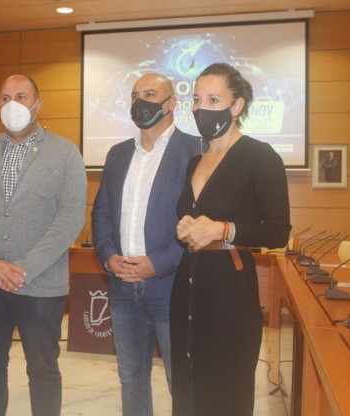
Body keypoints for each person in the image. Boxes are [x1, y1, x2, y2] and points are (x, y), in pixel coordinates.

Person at [0, 74, 87, 416]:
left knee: (43, 370)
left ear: (37, 105)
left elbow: (71, 217)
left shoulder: (65, 152)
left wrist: (24, 269)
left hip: (41, 284)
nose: (11, 104)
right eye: (4, 98)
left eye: (21, 97)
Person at [171, 63, 291, 416]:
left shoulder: (260, 157)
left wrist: (224, 230)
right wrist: (185, 228)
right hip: (187, 288)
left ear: (237, 106)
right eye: (196, 100)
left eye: (213, 100)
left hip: (230, 295)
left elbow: (279, 231)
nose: (201, 108)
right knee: (187, 390)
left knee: (225, 392)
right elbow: (193, 217)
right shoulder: (195, 161)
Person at [91, 73, 200, 415]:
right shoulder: (118, 153)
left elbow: (201, 223)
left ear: (171, 103)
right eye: (136, 95)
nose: (141, 102)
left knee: (181, 381)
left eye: (150, 94)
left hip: (172, 286)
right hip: (123, 287)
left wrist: (159, 263)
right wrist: (108, 256)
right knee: (131, 379)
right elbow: (101, 213)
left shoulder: (196, 151)